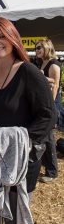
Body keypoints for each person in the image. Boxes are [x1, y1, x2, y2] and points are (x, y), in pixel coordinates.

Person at [0, 16, 56, 224]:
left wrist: (16, 143)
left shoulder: (28, 72)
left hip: (22, 160)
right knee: (3, 214)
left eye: (1, 36)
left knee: (17, 221)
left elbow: (48, 116)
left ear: (13, 38)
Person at [35, 39, 61, 183]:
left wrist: (49, 109)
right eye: (36, 47)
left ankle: (52, 172)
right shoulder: (42, 63)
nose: (37, 50)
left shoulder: (53, 64)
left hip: (50, 105)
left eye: (39, 47)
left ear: (46, 47)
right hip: (43, 105)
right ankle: (47, 167)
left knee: (49, 139)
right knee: (45, 137)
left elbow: (55, 86)